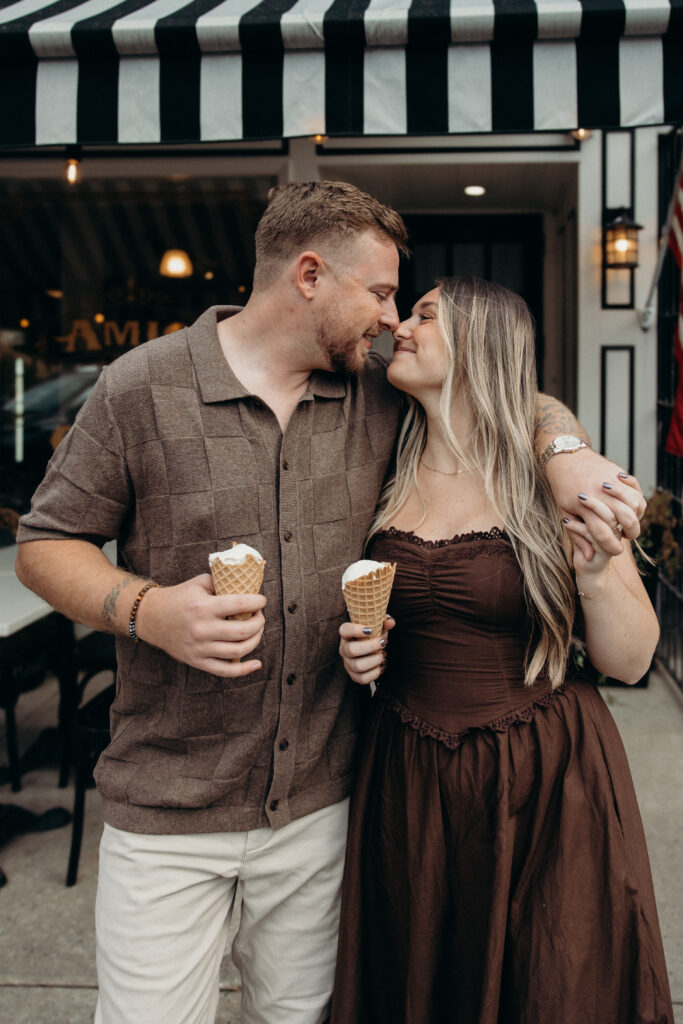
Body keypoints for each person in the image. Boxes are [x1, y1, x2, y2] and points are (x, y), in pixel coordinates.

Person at [15, 184, 646, 1024]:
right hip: (171, 804)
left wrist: (565, 452)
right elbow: (44, 542)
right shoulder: (142, 387)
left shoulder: (379, 393)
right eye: (383, 294)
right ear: (309, 274)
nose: (391, 321)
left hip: (324, 801)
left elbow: (500, 390)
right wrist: (146, 610)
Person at [332, 277, 673, 1024]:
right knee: (423, 977)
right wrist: (362, 654)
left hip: (542, 775)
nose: (400, 327)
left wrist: (592, 573)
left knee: (547, 980)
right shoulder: (384, 453)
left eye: (425, 315)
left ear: (480, 344)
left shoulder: (550, 479)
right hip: (408, 771)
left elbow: (629, 660)